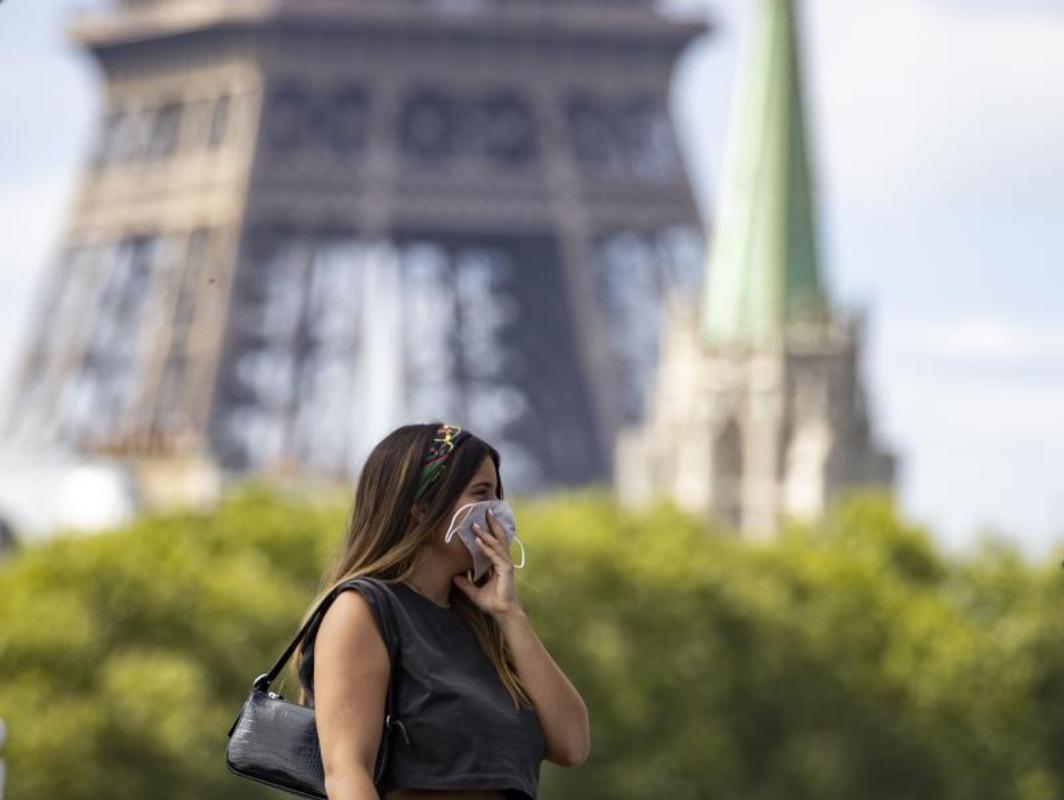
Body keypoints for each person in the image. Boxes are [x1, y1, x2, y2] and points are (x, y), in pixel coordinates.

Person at [291, 422, 590, 800]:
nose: (498, 512)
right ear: (421, 508)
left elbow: (573, 745)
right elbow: (346, 773)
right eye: (481, 493)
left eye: (498, 495)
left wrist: (510, 615)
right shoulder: (363, 610)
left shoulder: (481, 624)